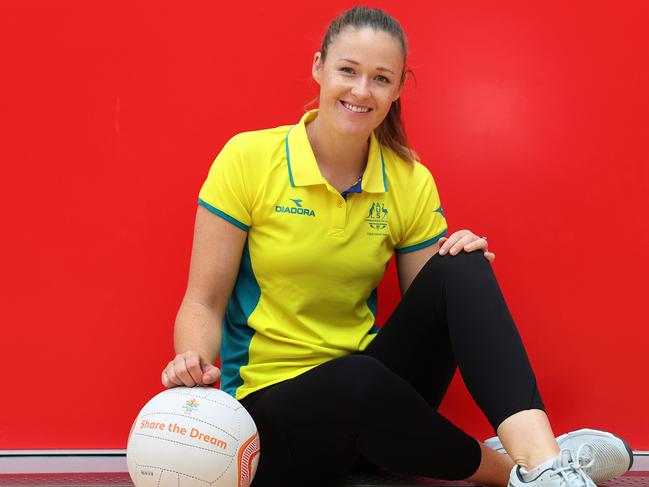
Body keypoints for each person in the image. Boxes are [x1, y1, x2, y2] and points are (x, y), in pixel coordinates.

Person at [161, 7, 632, 487]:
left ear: (399, 88)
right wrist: (193, 371)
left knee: (460, 265)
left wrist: (462, 272)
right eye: (348, 70)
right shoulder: (248, 159)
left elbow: (437, 308)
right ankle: (518, 473)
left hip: (377, 397)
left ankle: (545, 461)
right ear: (318, 67)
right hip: (270, 414)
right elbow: (203, 301)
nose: (361, 90)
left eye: (380, 78)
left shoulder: (408, 179)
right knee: (355, 381)